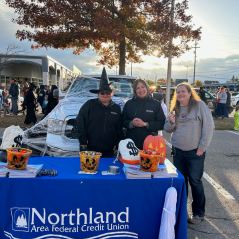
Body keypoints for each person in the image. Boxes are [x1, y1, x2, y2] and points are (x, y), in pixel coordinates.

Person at [164, 82, 214, 225]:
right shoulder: (175, 108)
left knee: (195, 182)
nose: (180, 94)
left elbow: (209, 127)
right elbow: (167, 128)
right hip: (178, 152)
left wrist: (202, 147)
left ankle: (198, 213)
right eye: (178, 92)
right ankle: (182, 212)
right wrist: (171, 121)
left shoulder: (199, 106)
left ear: (190, 92)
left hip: (195, 152)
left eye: (183, 91)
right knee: (181, 182)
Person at [75, 67, 122, 158]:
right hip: (90, 147)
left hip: (109, 148)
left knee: (106, 170)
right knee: (89, 169)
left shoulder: (116, 108)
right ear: (98, 94)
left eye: (107, 93)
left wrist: (117, 143)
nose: (105, 95)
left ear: (111, 94)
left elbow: (119, 128)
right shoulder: (89, 105)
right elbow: (80, 122)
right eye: (102, 93)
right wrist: (83, 141)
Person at [122, 79, 165, 150]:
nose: (141, 90)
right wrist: (131, 123)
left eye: (143, 87)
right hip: (132, 144)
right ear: (135, 91)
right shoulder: (129, 104)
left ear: (147, 88)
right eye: (138, 88)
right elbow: (122, 121)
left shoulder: (155, 104)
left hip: (151, 145)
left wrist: (146, 124)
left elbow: (162, 123)